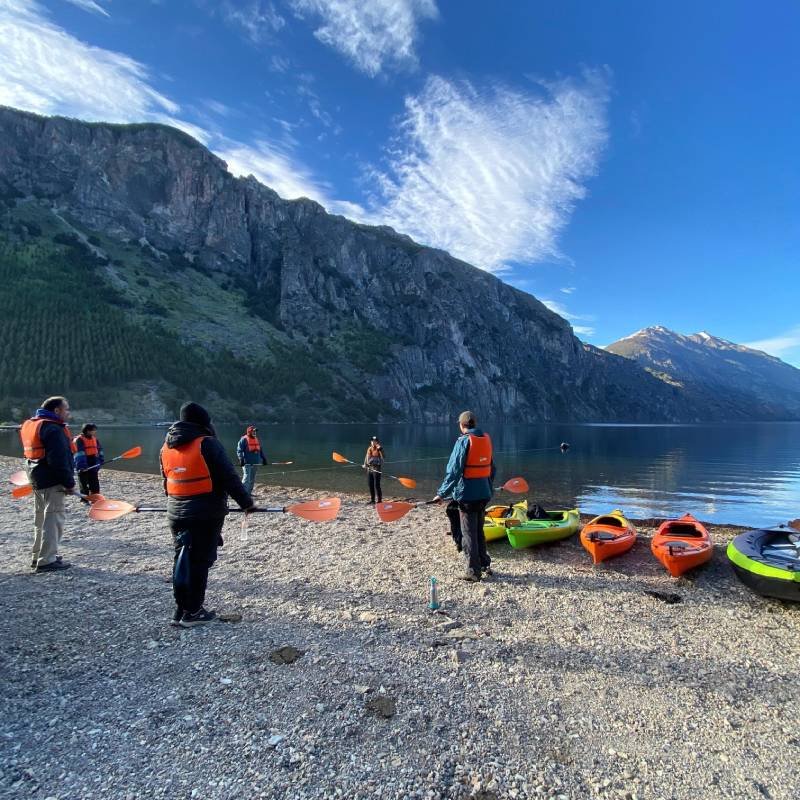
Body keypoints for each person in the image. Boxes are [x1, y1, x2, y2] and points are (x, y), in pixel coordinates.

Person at [160, 402, 256, 627]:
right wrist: (246, 503)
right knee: (200, 561)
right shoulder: (208, 443)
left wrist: (177, 502)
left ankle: (181, 609)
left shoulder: (167, 446)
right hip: (204, 513)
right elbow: (229, 478)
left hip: (175, 511)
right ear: (204, 422)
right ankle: (193, 612)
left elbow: (167, 482)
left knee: (182, 559)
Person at [432, 410, 495, 582]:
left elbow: (453, 472)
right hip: (484, 494)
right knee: (478, 530)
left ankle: (473, 572)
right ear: (475, 423)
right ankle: (484, 564)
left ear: (461, 425)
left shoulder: (463, 441)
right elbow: (492, 468)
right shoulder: (486, 440)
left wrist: (441, 494)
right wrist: (488, 488)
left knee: (468, 533)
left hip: (467, 495)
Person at [20, 396, 77, 572]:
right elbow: (58, 461)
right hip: (52, 481)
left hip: (38, 478)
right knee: (53, 519)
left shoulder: (36, 424)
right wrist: (69, 483)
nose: (69, 413)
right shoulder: (53, 429)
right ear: (56, 411)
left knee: (41, 518)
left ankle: (39, 555)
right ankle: (47, 560)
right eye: (66, 409)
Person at [73, 423, 104, 496]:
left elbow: (100, 450)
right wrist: (82, 466)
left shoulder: (95, 439)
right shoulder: (79, 440)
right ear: (87, 431)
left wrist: (101, 460)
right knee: (83, 481)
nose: (95, 432)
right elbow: (79, 454)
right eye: (93, 430)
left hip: (93, 461)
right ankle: (84, 497)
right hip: (82, 462)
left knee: (94, 480)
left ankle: (95, 495)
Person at [236, 425, 266, 494]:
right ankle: (243, 494)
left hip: (255, 462)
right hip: (246, 462)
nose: (255, 432)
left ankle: (249, 493)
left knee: (252, 478)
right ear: (249, 432)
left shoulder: (256, 439)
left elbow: (260, 450)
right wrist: (241, 459)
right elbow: (239, 450)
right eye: (253, 431)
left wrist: (264, 458)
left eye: (255, 431)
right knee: (246, 478)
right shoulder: (243, 439)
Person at [362, 436, 385, 504]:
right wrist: (364, 464)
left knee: (377, 485)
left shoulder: (379, 449)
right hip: (370, 469)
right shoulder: (369, 448)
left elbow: (384, 457)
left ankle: (379, 501)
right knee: (370, 485)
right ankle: (372, 500)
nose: (373, 442)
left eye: (375, 441)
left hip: (376, 469)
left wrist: (380, 449)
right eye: (372, 441)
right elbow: (366, 457)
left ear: (377, 442)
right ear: (371, 442)